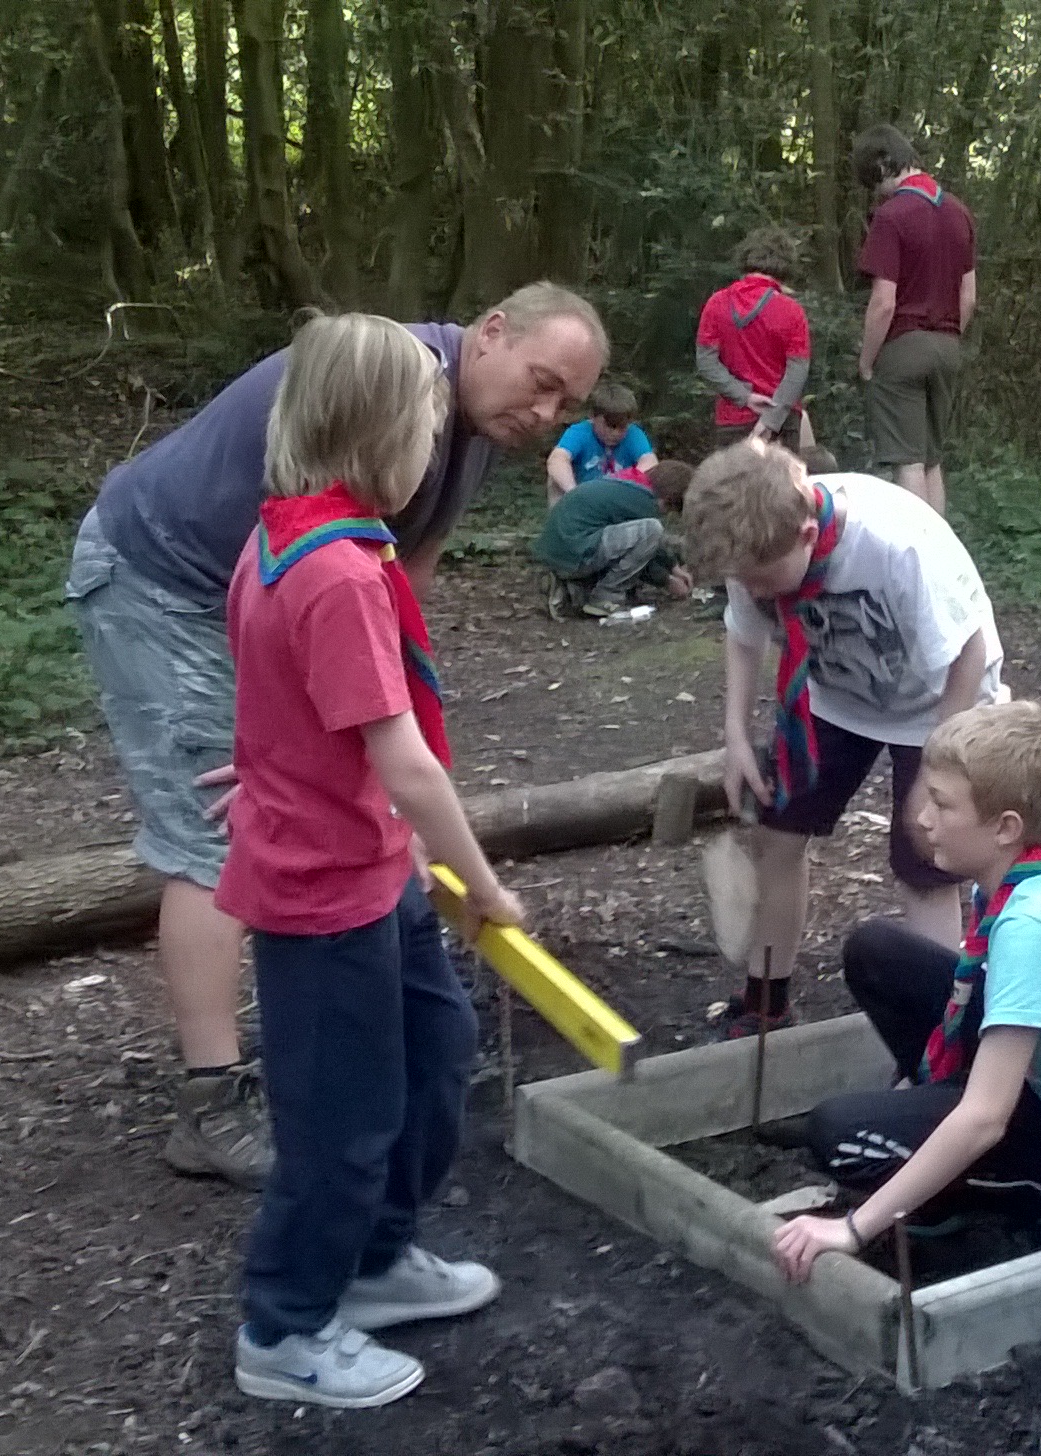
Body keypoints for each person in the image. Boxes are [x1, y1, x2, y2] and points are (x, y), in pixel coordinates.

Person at [65, 284, 606, 1189]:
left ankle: (386, 1014)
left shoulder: (468, 430)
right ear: (492, 334)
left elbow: (398, 582)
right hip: (162, 573)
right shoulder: (379, 383)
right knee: (213, 829)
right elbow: (283, 557)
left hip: (263, 587)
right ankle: (211, 1102)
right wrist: (277, 740)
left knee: (308, 792)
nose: (547, 416)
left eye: (569, 405)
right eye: (542, 383)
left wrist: (336, 724)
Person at [216, 313, 522, 1408]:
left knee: (436, 1063)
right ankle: (285, 1328)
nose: (432, 454)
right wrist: (485, 888)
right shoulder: (331, 569)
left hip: (374, 872)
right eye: (426, 431)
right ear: (375, 432)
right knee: (340, 1126)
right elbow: (409, 768)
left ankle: (380, 1260)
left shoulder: (308, 540)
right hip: (324, 897)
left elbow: (289, 710)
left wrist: (272, 768)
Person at [682, 440, 1002, 1039]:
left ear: (807, 534)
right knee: (779, 834)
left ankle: (942, 1034)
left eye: (764, 579)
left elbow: (969, 651)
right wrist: (735, 735)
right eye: (744, 581)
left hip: (938, 697)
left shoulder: (894, 546)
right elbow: (744, 636)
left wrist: (938, 769)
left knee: (926, 861)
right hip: (833, 696)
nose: (755, 592)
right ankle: (765, 1004)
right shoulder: (750, 545)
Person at [773, 701, 1041, 1280]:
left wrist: (856, 1228)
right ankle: (935, 1150)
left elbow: (986, 1116)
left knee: (839, 1134)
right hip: (1026, 1087)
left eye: (943, 803)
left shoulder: (1031, 923)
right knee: (876, 950)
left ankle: (1029, 1197)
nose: (924, 818)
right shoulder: (1011, 881)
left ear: (1005, 827)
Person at [850, 124, 976, 515]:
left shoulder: (892, 216)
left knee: (908, 461)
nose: (874, 191)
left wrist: (867, 361)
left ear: (884, 165)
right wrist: (947, 337)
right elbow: (968, 296)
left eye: (873, 181)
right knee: (931, 459)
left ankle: (917, 561)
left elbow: (884, 302)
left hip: (903, 347)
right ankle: (941, 557)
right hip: (949, 345)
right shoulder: (959, 212)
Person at [697, 226, 815, 449]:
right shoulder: (791, 310)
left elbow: (706, 363)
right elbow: (797, 372)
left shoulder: (716, 303)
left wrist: (744, 396)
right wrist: (771, 420)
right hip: (781, 422)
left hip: (732, 419)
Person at [532, 459, 694, 618]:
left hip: (562, 548)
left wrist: (674, 568)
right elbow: (643, 555)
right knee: (653, 529)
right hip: (576, 550)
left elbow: (645, 548)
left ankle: (571, 585)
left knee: (648, 533)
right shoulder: (643, 501)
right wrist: (667, 581)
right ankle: (605, 596)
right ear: (667, 500)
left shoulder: (629, 486)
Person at [545, 383, 657, 501]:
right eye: (610, 426)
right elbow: (557, 459)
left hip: (619, 498)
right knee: (555, 477)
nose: (616, 433)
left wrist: (626, 480)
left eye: (622, 427)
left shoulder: (634, 434)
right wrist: (574, 492)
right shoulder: (580, 432)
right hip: (581, 497)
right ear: (593, 417)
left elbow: (649, 462)